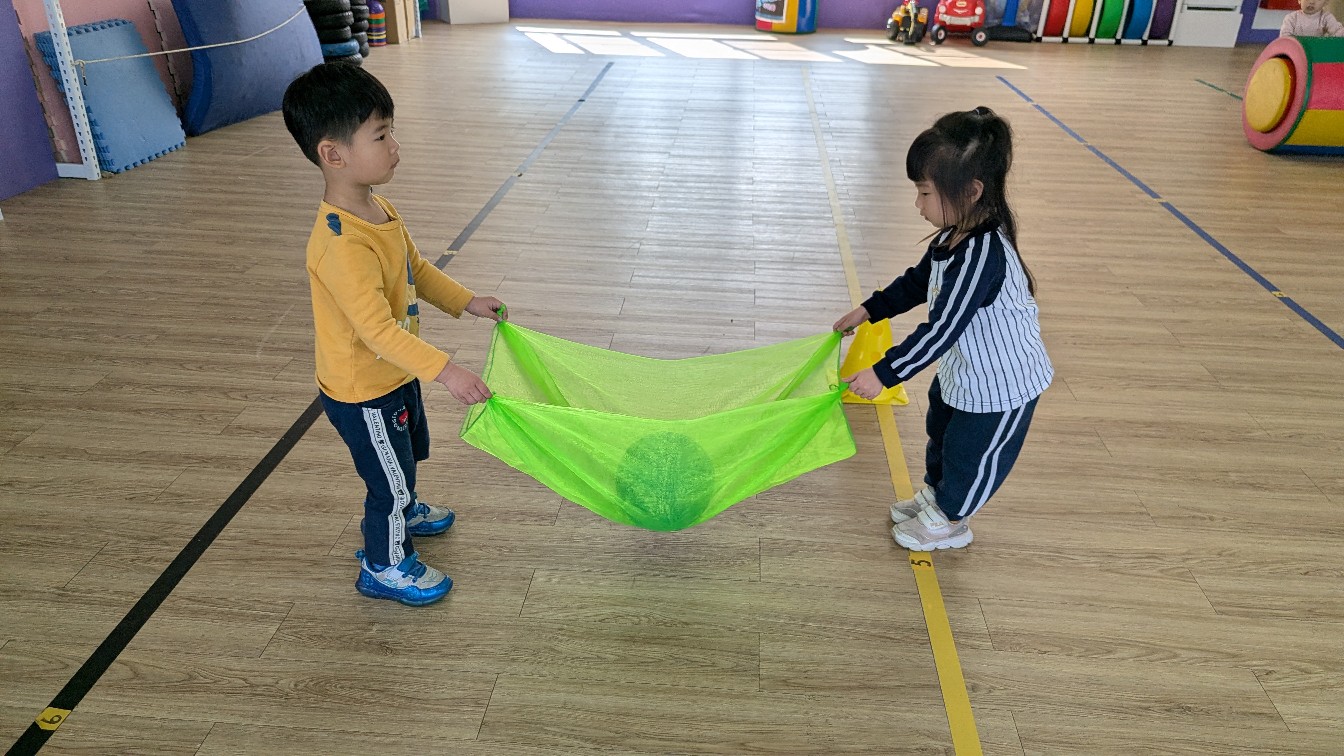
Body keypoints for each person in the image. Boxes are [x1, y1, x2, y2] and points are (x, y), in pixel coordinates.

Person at [282, 63, 506, 606]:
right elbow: (377, 331)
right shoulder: (341, 244)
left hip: (395, 375)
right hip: (363, 390)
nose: (396, 146)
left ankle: (406, 510)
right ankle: (383, 566)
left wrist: (467, 302)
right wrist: (448, 371)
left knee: (402, 461)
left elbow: (417, 270)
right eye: (381, 136)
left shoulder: (379, 209)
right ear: (333, 154)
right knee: (387, 480)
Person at [833, 106, 1052, 552]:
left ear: (971, 191)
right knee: (943, 434)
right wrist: (871, 309)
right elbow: (920, 281)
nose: (918, 205)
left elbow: (941, 330)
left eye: (925, 193)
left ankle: (952, 519)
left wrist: (884, 372)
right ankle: (937, 495)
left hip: (1002, 386)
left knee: (972, 455)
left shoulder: (982, 256)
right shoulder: (950, 237)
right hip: (965, 371)